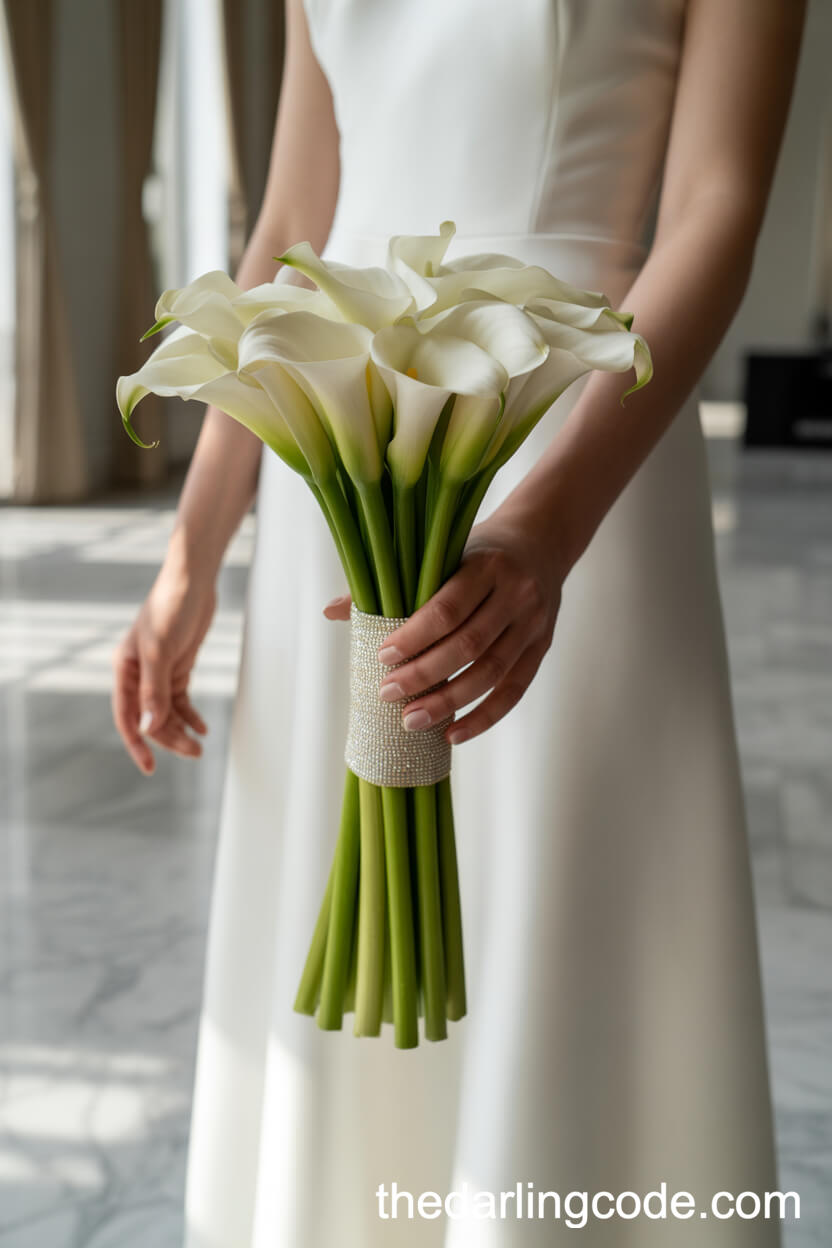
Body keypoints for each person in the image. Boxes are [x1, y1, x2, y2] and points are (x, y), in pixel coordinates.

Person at [111, 1, 806, 1243]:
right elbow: (293, 222)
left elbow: (716, 204)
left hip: (568, 423)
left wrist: (547, 527)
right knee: (337, 932)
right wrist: (191, 554)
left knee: (556, 906)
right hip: (334, 417)